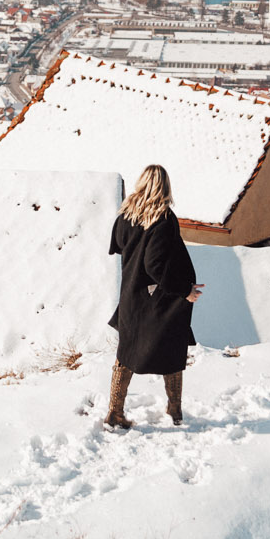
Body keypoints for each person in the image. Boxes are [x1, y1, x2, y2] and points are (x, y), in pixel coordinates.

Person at [104, 164, 203, 429]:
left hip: (131, 298)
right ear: (165, 187)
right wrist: (185, 290)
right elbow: (154, 265)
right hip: (158, 300)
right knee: (172, 347)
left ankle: (114, 412)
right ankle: (175, 411)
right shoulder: (162, 219)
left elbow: (119, 246)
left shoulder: (125, 215)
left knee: (125, 355)